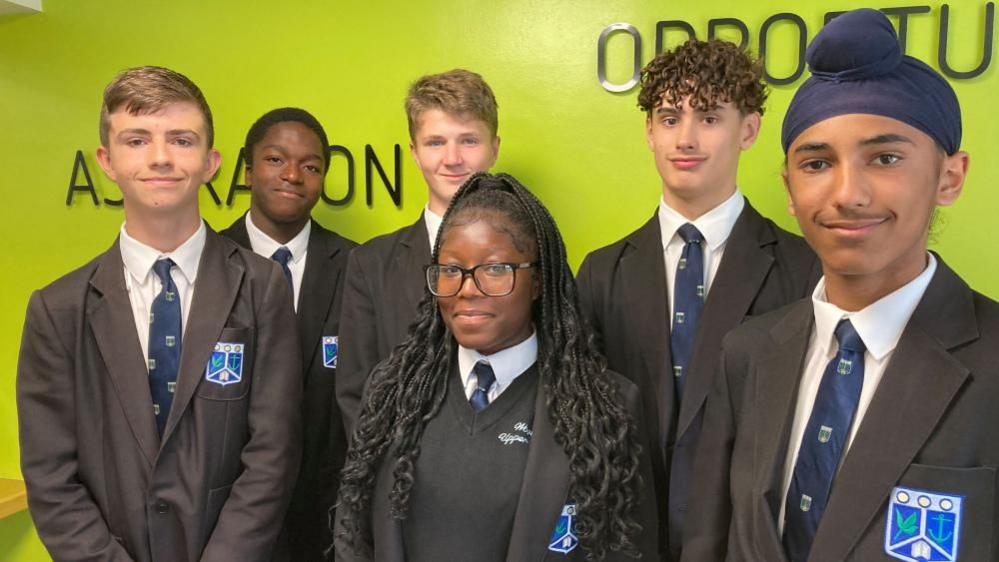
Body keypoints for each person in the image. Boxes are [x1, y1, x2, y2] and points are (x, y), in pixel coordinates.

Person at [682, 9, 997, 561]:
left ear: (950, 177)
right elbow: (710, 539)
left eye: (885, 157)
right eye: (817, 163)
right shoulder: (750, 351)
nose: (847, 193)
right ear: (788, 187)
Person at [16, 66, 302, 562]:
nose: (161, 157)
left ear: (211, 161)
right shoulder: (57, 309)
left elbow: (272, 455)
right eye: (137, 139)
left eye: (181, 140)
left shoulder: (261, 287)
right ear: (106, 160)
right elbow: (50, 475)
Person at [576, 39, 819, 559]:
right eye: (669, 117)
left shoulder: (805, 268)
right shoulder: (601, 272)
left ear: (748, 130)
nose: (685, 139)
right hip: (627, 537)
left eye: (708, 117)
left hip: (745, 540)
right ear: (648, 131)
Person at [332, 173, 657, 561]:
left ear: (537, 281)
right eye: (451, 270)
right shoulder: (390, 390)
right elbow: (353, 534)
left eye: (495, 269)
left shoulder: (606, 406)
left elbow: (629, 550)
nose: (468, 288)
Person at [220, 107, 356, 561]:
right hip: (225, 520)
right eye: (276, 159)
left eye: (311, 166)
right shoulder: (205, 264)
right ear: (248, 170)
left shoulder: (358, 267)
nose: (294, 175)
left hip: (327, 521)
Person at [336, 69, 500, 435]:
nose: (453, 158)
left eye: (469, 140)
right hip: (401, 481)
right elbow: (356, 393)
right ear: (414, 152)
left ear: (494, 148)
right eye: (436, 142)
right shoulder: (370, 265)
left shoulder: (539, 255)